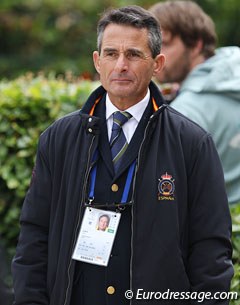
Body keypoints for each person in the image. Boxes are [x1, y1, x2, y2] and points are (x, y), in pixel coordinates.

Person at [12, 5, 233, 305]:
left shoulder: (192, 144)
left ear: (157, 64)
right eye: (111, 54)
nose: (120, 65)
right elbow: (34, 239)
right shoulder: (58, 139)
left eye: (133, 54)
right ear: (97, 60)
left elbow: (211, 253)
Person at [149, 0, 240, 205]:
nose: (157, 55)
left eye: (166, 44)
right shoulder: (233, 73)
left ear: (196, 44)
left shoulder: (186, 111)